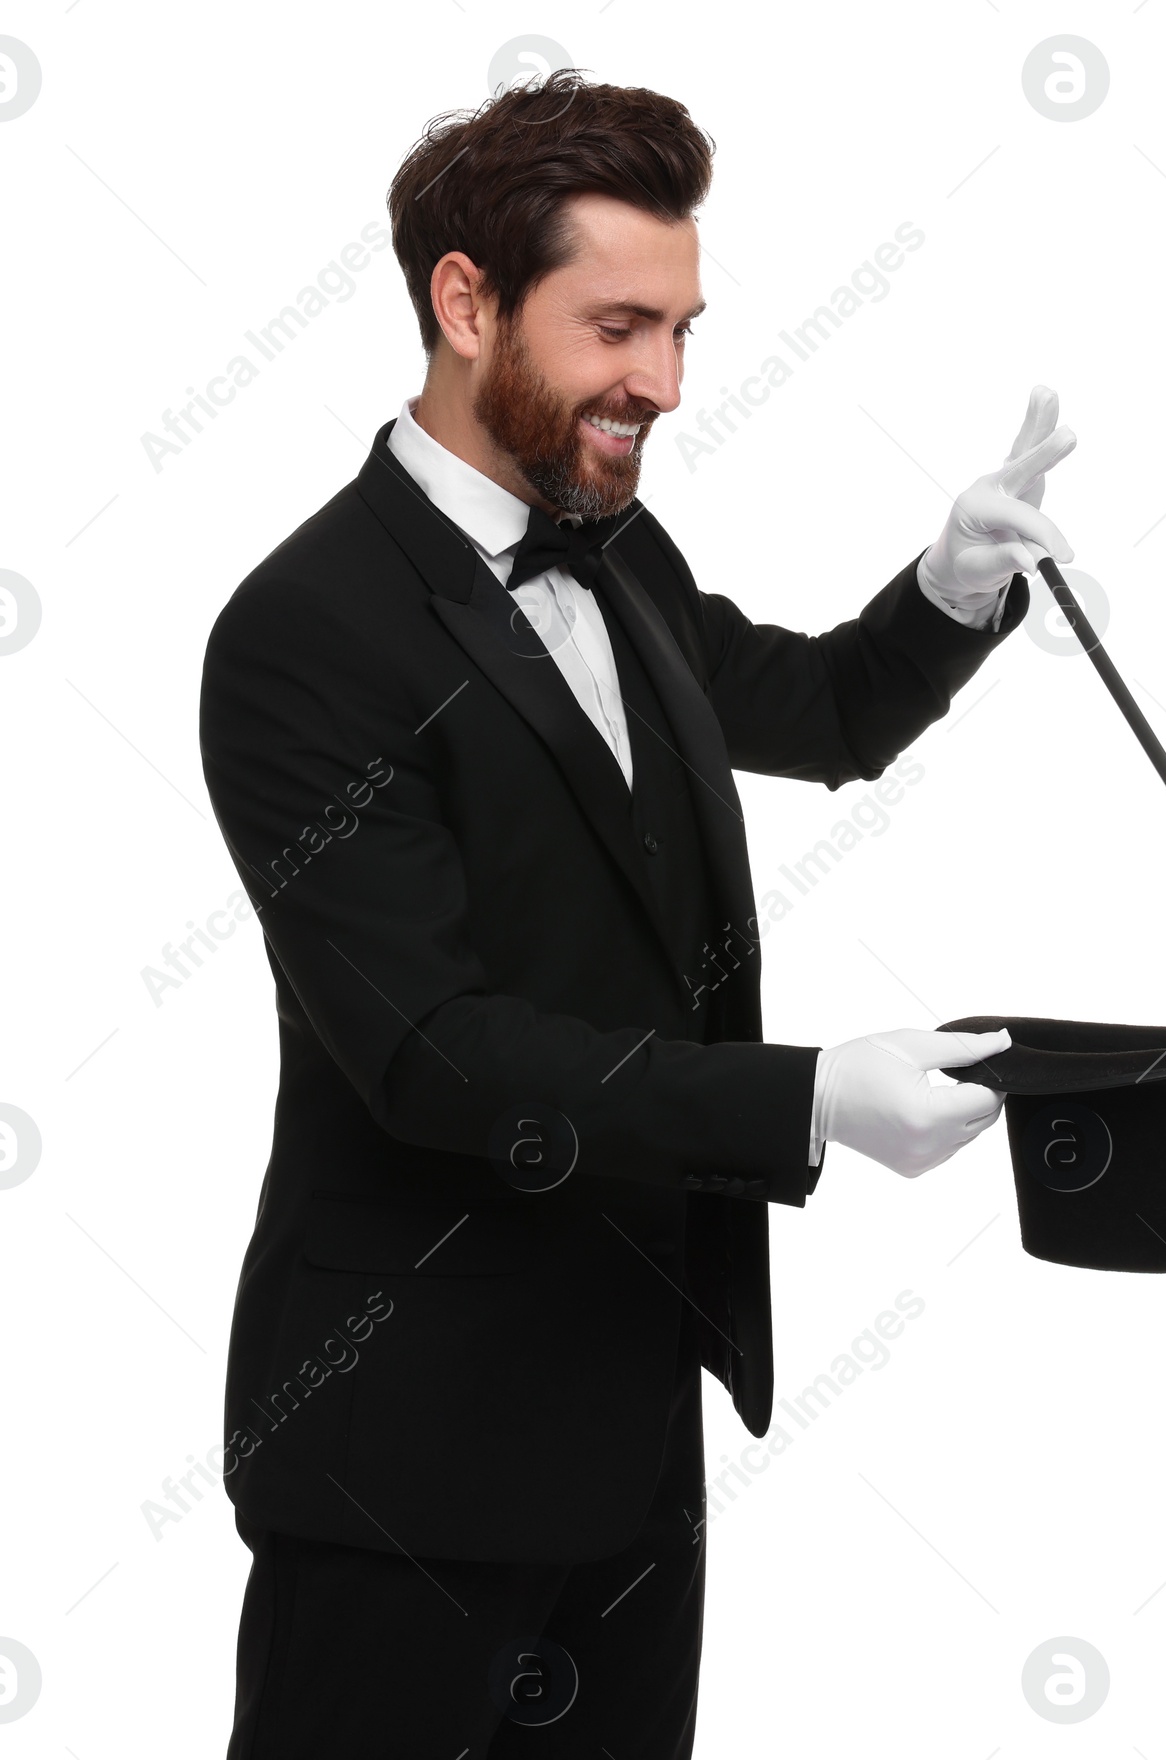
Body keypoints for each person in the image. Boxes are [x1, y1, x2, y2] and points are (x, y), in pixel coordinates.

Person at [200, 69, 1076, 1759]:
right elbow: (436, 1058)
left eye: (682, 329)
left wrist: (955, 588)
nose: (664, 382)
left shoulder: (619, 551)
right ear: (465, 303)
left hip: (623, 1426)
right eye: (619, 326)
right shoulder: (303, 633)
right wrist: (808, 1098)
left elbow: (814, 710)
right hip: (402, 1457)